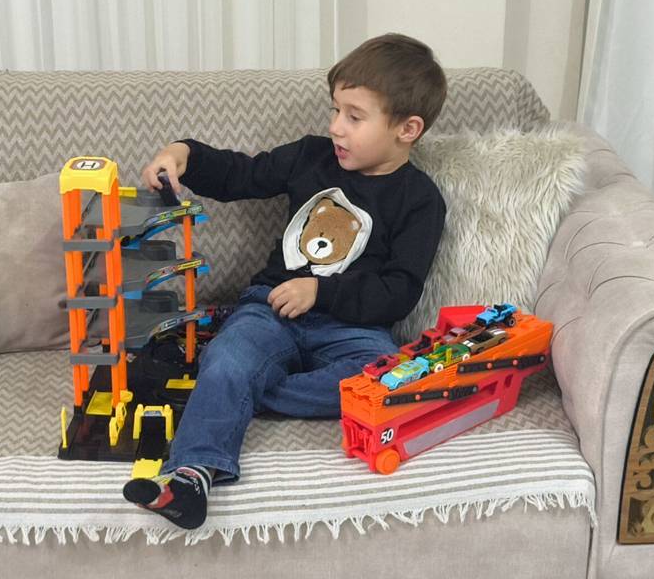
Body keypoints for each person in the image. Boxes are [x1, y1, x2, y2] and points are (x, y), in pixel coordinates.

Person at [122, 33, 448, 529]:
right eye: (335, 110)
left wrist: (321, 290)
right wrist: (183, 154)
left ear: (407, 128)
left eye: (354, 117)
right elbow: (241, 174)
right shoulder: (310, 157)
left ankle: (242, 390)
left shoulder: (420, 200)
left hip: (352, 329)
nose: (336, 127)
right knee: (230, 358)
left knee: (383, 381)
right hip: (270, 308)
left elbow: (400, 290)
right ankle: (190, 477)